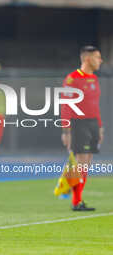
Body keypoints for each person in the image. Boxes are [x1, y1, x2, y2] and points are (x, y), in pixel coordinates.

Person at [61, 45, 104, 211]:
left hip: (92, 124)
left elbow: (95, 105)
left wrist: (99, 127)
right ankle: (75, 201)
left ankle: (76, 197)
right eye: (97, 57)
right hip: (79, 124)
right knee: (81, 162)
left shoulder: (94, 79)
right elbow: (66, 106)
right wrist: (66, 131)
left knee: (86, 164)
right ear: (87, 59)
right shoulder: (72, 79)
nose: (100, 60)